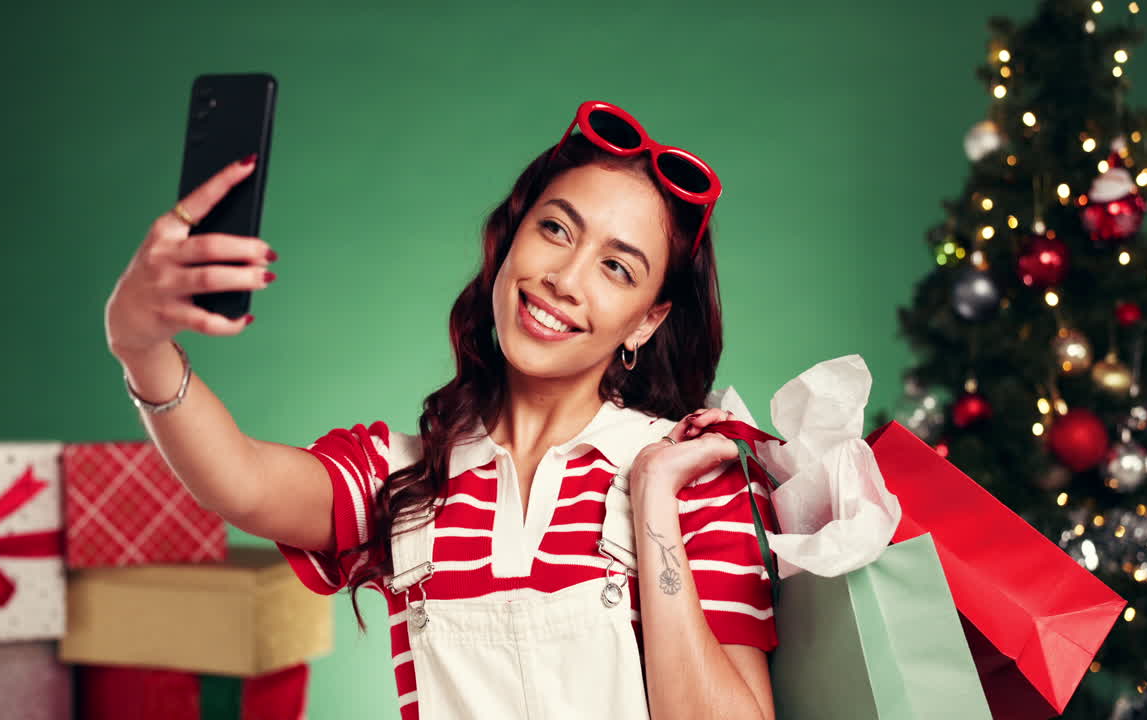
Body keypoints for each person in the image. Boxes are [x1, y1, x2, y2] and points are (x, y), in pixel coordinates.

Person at [105, 100, 778, 720]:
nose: (564, 279)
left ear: (647, 321)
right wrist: (141, 345)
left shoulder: (695, 477)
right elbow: (240, 482)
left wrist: (654, 495)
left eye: (617, 268)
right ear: (511, 239)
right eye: (554, 229)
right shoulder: (400, 478)